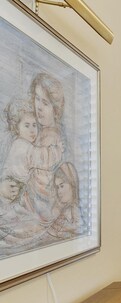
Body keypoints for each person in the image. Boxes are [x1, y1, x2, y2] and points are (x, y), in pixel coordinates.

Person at [25, 72, 66, 221]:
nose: (39, 107)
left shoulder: (52, 136)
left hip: (42, 202)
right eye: (37, 98)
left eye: (45, 103)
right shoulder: (40, 130)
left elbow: (42, 180)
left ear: (55, 110)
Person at [2, 98, 38, 184]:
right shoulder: (24, 146)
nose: (32, 130)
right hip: (18, 186)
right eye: (27, 126)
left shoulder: (16, 143)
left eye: (34, 125)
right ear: (17, 128)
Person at [47, 162, 85, 239]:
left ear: (72, 185)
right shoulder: (59, 210)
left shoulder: (76, 211)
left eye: (62, 186)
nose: (59, 191)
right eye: (57, 187)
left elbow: (79, 230)